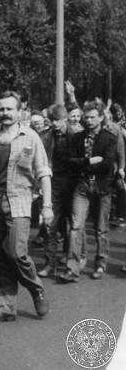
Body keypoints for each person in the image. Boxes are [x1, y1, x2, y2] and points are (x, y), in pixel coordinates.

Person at [0, 91, 52, 324]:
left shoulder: (31, 137)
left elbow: (43, 172)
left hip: (20, 200)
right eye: (1, 109)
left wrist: (47, 205)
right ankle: (5, 307)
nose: (5, 113)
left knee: (16, 252)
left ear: (19, 111)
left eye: (9, 109)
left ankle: (36, 289)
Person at [59, 101, 117, 282]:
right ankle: (72, 268)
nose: (89, 120)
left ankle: (100, 264)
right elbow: (68, 161)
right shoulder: (77, 138)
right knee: (76, 227)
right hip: (82, 186)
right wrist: (89, 161)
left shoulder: (110, 138)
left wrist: (82, 163)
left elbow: (107, 165)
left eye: (93, 117)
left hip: (102, 187)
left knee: (101, 229)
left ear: (101, 117)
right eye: (87, 117)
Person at [37, 105, 77, 278]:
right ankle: (50, 263)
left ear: (65, 118)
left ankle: (71, 258)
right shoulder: (44, 136)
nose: (53, 123)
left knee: (73, 223)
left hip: (73, 183)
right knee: (50, 224)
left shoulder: (76, 135)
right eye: (51, 120)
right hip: (52, 183)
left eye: (57, 120)